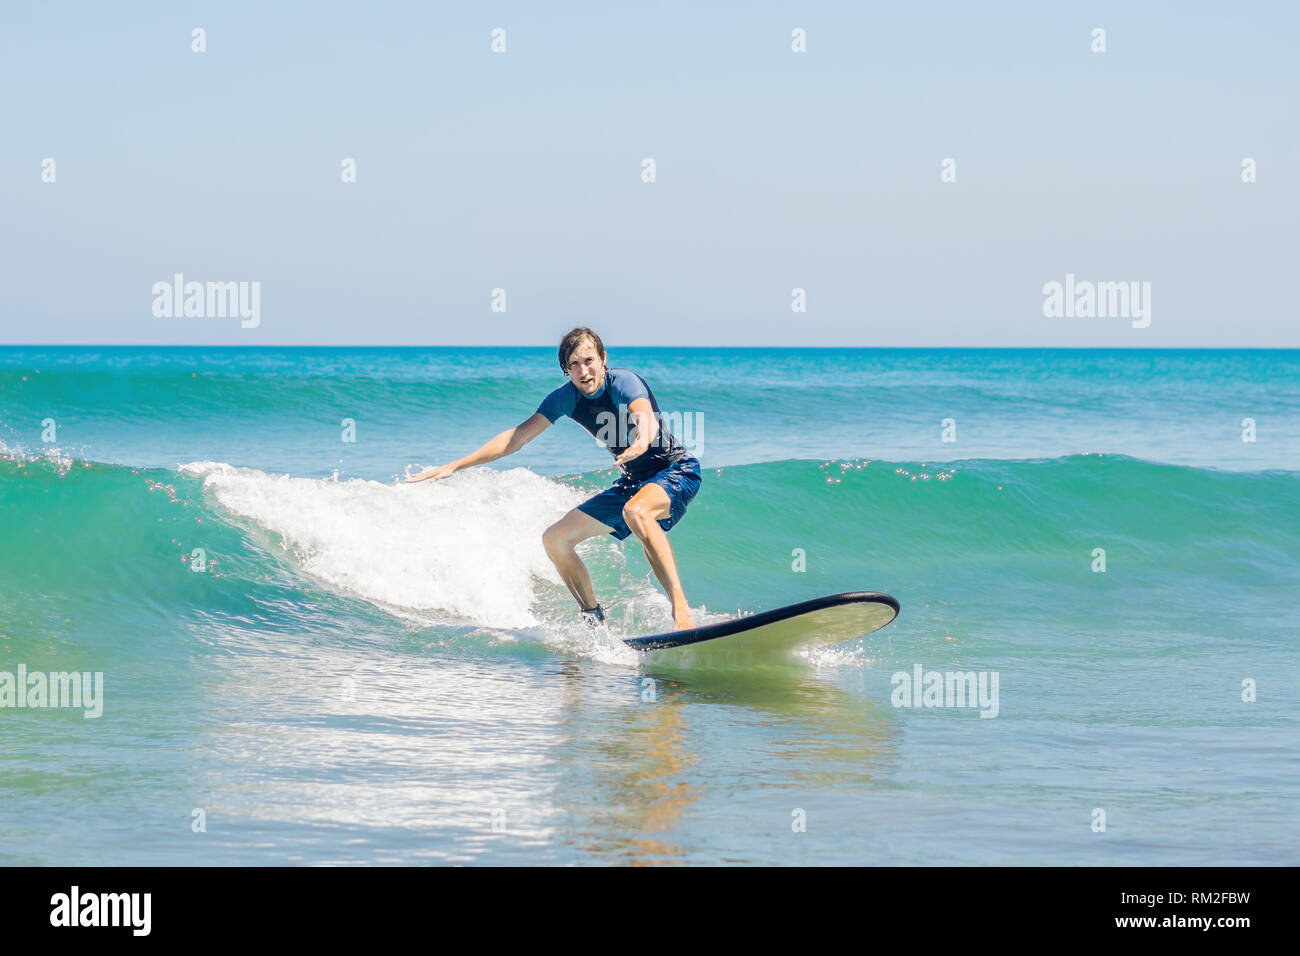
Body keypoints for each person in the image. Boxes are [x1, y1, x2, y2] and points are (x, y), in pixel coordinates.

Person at [406, 328, 702, 630]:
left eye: (589, 360)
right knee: (555, 539)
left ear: (603, 358)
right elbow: (516, 438)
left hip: (675, 469)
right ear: (566, 369)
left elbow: (645, 416)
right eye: (573, 364)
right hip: (633, 482)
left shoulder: (624, 382)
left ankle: (682, 613)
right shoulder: (566, 399)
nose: (583, 371)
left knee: (636, 512)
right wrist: (455, 465)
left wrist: (641, 442)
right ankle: (594, 622)